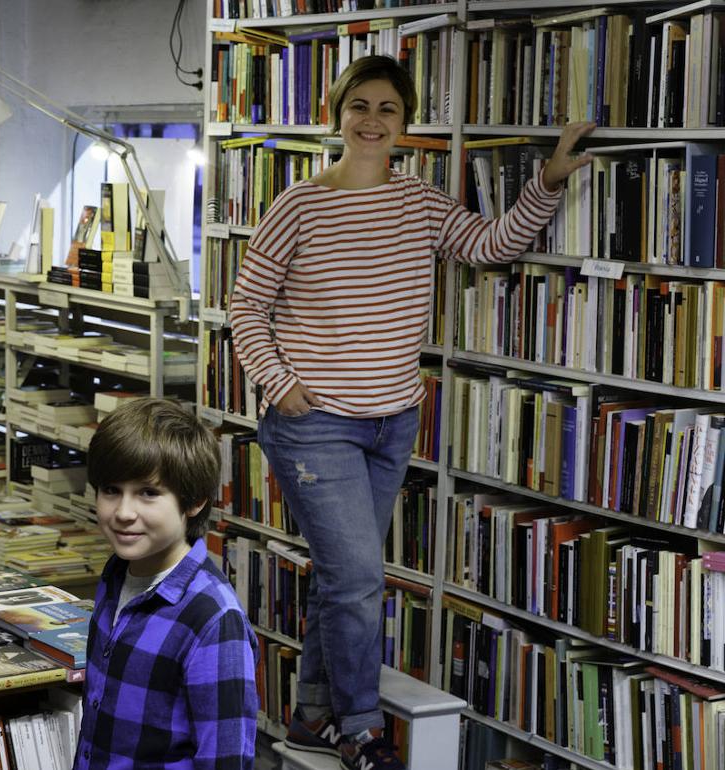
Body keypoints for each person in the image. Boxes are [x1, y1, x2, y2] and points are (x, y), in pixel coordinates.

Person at [228, 54, 595, 770]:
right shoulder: (298, 204)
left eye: (388, 109)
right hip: (315, 422)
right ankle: (360, 729)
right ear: (337, 115)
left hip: (392, 420)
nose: (372, 120)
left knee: (343, 578)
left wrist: (548, 181)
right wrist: (278, 381)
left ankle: (310, 716)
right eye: (359, 106)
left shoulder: (419, 202)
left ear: (405, 124)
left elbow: (491, 246)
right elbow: (246, 306)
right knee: (358, 578)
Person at [75, 398, 258, 769]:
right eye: (111, 490)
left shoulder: (214, 619)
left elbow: (226, 759)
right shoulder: (117, 573)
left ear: (194, 502)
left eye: (148, 493)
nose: (124, 513)